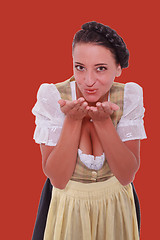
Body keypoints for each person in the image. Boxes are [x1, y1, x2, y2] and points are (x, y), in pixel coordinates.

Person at [32, 21, 147, 240]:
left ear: (119, 68)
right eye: (80, 67)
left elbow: (126, 175)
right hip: (68, 209)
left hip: (116, 207)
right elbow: (58, 179)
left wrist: (104, 124)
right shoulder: (53, 97)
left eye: (101, 68)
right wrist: (73, 121)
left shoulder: (129, 97)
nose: (88, 81)